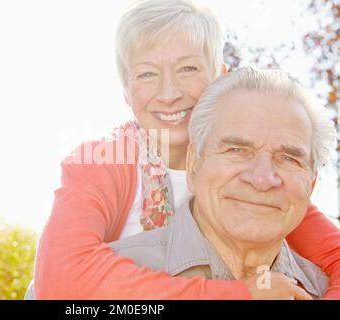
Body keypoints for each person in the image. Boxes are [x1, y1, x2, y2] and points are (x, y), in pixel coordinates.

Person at [33, 0, 340, 299]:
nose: (169, 94)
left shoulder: (258, 180)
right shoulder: (101, 162)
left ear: (220, 77)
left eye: (188, 69)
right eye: (147, 74)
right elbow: (59, 276)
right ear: (126, 89)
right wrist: (238, 295)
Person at [109, 67, 335, 300]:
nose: (262, 179)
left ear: (312, 183)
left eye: (289, 158)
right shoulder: (105, 284)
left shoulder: (326, 290)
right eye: (237, 150)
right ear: (194, 165)